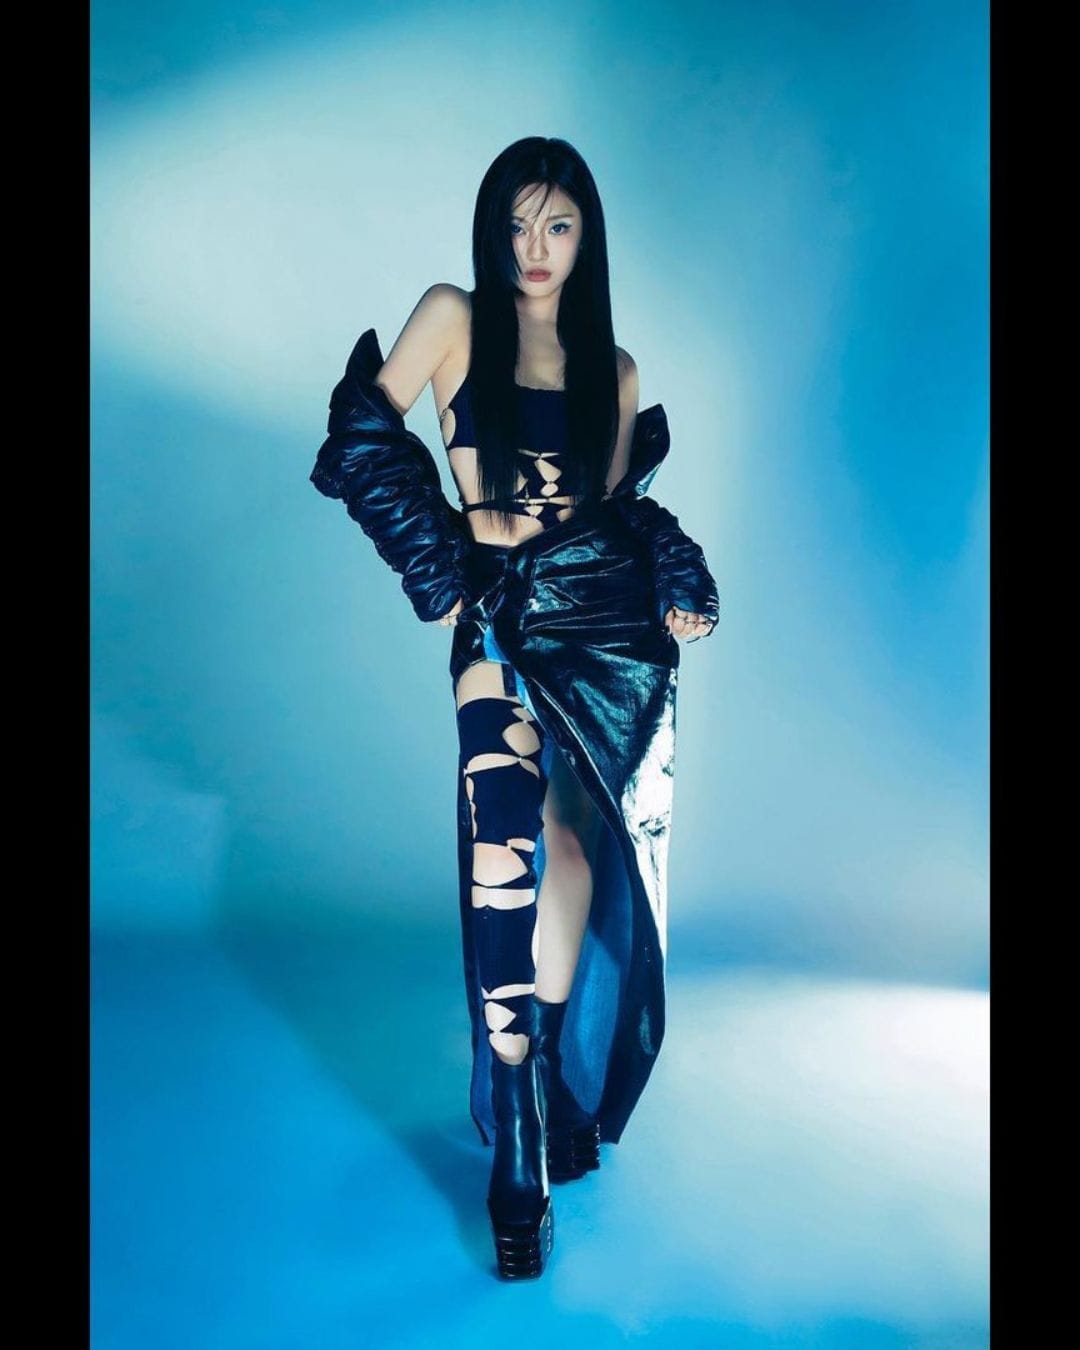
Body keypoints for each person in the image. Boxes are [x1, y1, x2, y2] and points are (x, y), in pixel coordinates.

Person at [310, 136, 719, 1280]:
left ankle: (539, 1076)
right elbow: (360, 435)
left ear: (588, 239)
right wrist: (434, 560)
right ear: (491, 232)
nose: (536, 248)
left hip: (604, 626)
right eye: (517, 224)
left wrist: (677, 570)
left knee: (582, 857)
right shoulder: (453, 317)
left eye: (559, 225)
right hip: (495, 617)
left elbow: (621, 510)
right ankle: (519, 1135)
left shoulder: (614, 369)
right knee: (507, 849)